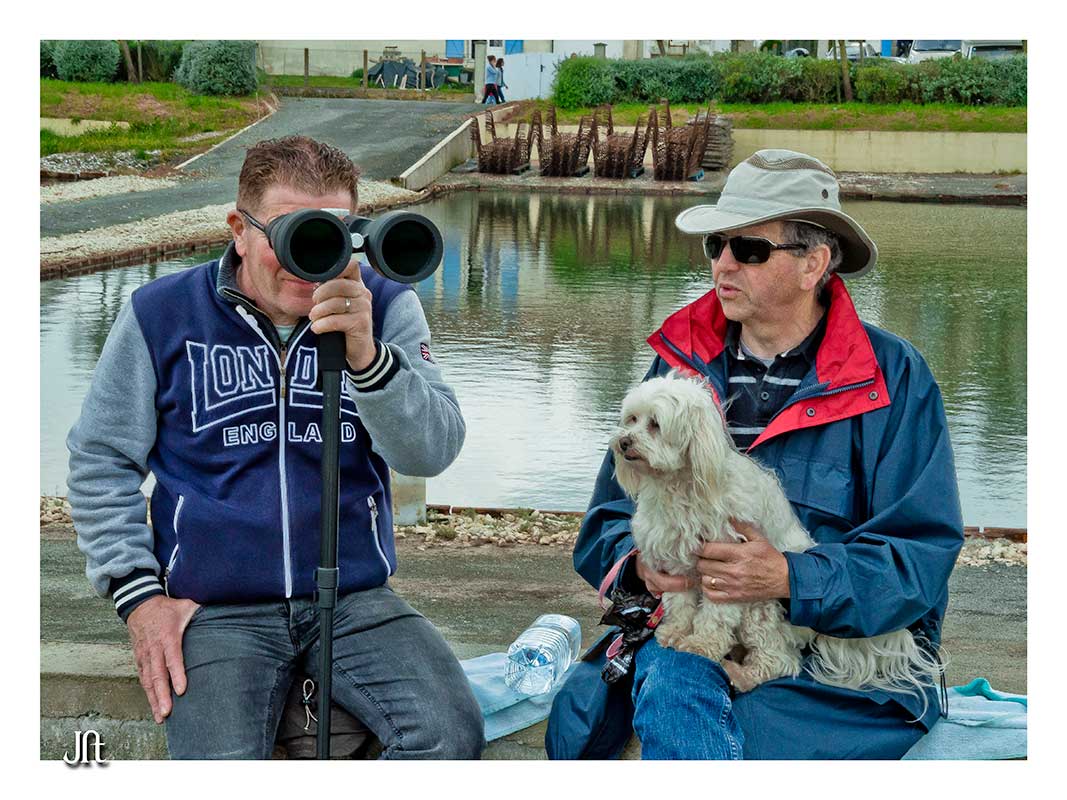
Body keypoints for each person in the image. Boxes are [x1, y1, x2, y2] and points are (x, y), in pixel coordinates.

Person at [66, 135, 485, 760]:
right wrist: (140, 597)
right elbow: (101, 459)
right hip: (215, 606)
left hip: (355, 598)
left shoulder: (386, 305)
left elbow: (432, 451)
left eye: (331, 232)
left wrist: (368, 358)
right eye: (292, 232)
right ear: (239, 230)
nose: (309, 258)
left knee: (449, 735)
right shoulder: (161, 313)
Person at [547, 149, 964, 760]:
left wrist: (791, 577)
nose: (722, 264)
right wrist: (643, 567)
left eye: (748, 249)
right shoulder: (676, 365)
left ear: (813, 264)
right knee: (653, 692)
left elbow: (919, 559)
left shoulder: (896, 377)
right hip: (693, 631)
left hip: (843, 656)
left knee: (705, 711)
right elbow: (607, 519)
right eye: (716, 245)